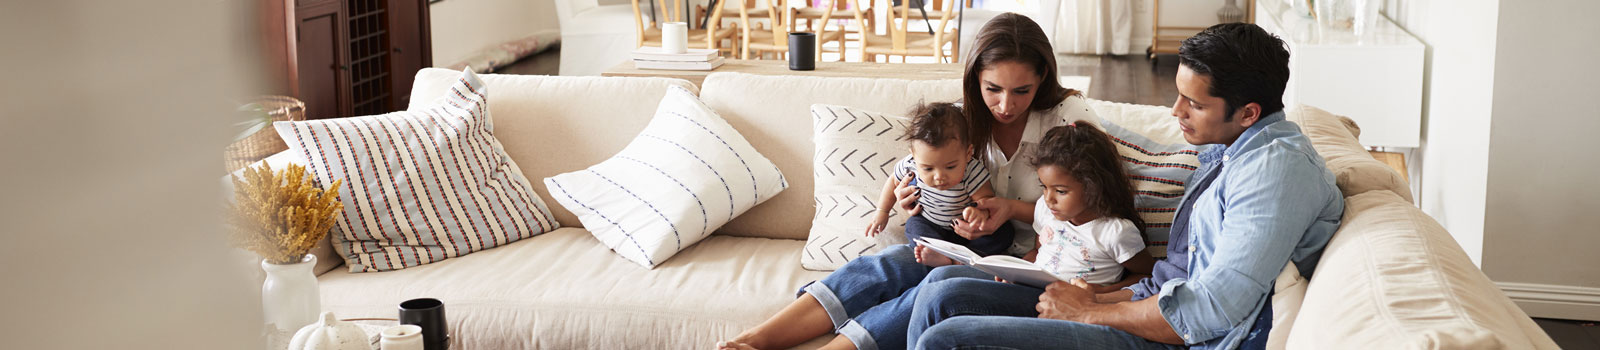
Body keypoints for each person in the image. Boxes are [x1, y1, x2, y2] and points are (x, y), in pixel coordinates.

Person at [908, 22, 1346, 350]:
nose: (1175, 111)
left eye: (1194, 103)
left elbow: (1211, 310)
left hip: (1172, 337)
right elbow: (1173, 278)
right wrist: (1096, 295)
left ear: (1248, 113)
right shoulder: (1233, 149)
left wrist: (1095, 312)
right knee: (944, 287)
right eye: (1178, 94)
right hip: (1146, 303)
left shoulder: (1274, 173)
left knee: (948, 338)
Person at [715, 13, 1101, 350]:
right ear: (975, 79)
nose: (1005, 105)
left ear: (1043, 78)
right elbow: (918, 171)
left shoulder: (1068, 117)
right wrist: (908, 197)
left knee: (931, 289)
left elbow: (1099, 204)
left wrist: (1012, 210)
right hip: (964, 248)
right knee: (890, 263)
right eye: (992, 89)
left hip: (1034, 264)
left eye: (1022, 91)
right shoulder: (959, 123)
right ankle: (755, 339)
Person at [867, 102, 1015, 259]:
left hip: (966, 231)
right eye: (928, 169)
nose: (939, 177)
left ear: (968, 153)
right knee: (914, 226)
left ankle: (962, 258)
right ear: (914, 155)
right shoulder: (910, 164)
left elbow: (986, 200)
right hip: (931, 225)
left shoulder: (971, 171)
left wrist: (979, 213)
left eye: (950, 167)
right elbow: (893, 181)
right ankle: (938, 254)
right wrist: (882, 211)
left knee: (1004, 233)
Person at [1024, 123, 1155, 286]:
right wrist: (1015, 272)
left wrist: (1099, 294)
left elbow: (1148, 275)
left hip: (1064, 306)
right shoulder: (1045, 209)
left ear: (1093, 187)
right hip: (1032, 290)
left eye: (1061, 191)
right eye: (1043, 187)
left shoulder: (1115, 233)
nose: (1048, 199)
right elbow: (1038, 252)